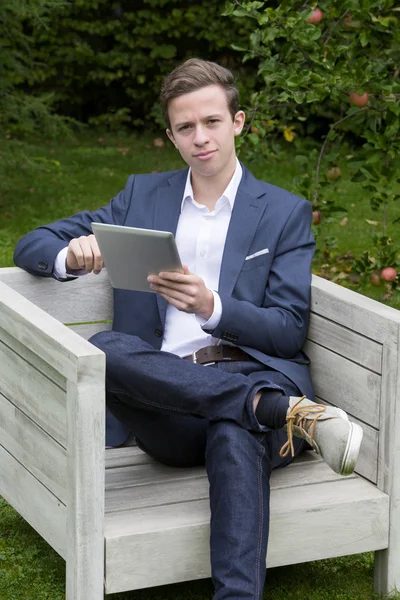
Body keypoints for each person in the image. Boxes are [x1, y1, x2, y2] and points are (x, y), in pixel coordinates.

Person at [14, 58, 363, 600]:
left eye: (212, 122)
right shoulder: (141, 197)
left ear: (238, 121)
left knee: (235, 430)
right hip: (169, 403)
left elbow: (289, 330)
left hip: (252, 371)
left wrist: (213, 307)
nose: (200, 138)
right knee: (107, 347)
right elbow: (30, 244)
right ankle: (273, 409)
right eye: (185, 127)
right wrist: (71, 255)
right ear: (171, 135)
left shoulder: (284, 213)